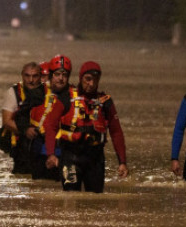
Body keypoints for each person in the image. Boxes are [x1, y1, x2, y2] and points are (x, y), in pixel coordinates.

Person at [43, 61, 128, 193]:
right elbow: (50, 125)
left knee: (95, 199)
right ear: (80, 78)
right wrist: (51, 154)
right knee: (71, 197)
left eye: (95, 80)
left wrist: (122, 162)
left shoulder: (105, 102)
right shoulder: (66, 98)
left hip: (95, 158)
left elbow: (116, 132)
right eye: (88, 79)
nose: (91, 84)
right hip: (70, 157)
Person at [15, 54, 74, 181]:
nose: (61, 79)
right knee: (40, 188)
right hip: (40, 147)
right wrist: (26, 129)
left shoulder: (74, 95)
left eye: (64, 75)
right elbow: (20, 115)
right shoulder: (38, 92)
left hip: (64, 148)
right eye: (57, 75)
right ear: (51, 75)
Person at [0, 61, 43, 174]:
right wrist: (25, 130)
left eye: (35, 76)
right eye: (27, 76)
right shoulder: (13, 92)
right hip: (21, 145)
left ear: (41, 77)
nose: (31, 80)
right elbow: (6, 121)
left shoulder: (48, 92)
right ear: (22, 75)